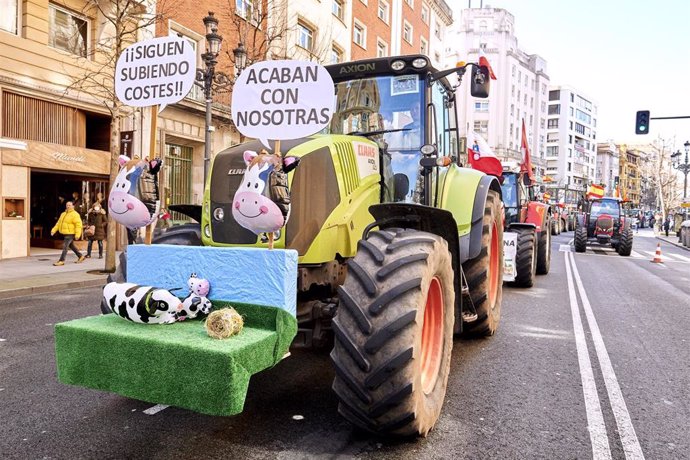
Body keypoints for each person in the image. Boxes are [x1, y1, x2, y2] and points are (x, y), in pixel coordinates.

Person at [50, 201, 85, 266]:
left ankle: (61, 260)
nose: (68, 206)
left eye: (69, 205)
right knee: (71, 246)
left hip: (70, 233)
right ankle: (80, 256)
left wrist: (77, 234)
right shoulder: (63, 214)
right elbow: (58, 223)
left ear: (73, 206)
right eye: (67, 205)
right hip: (65, 233)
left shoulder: (75, 214)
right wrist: (53, 230)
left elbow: (78, 225)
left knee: (65, 247)